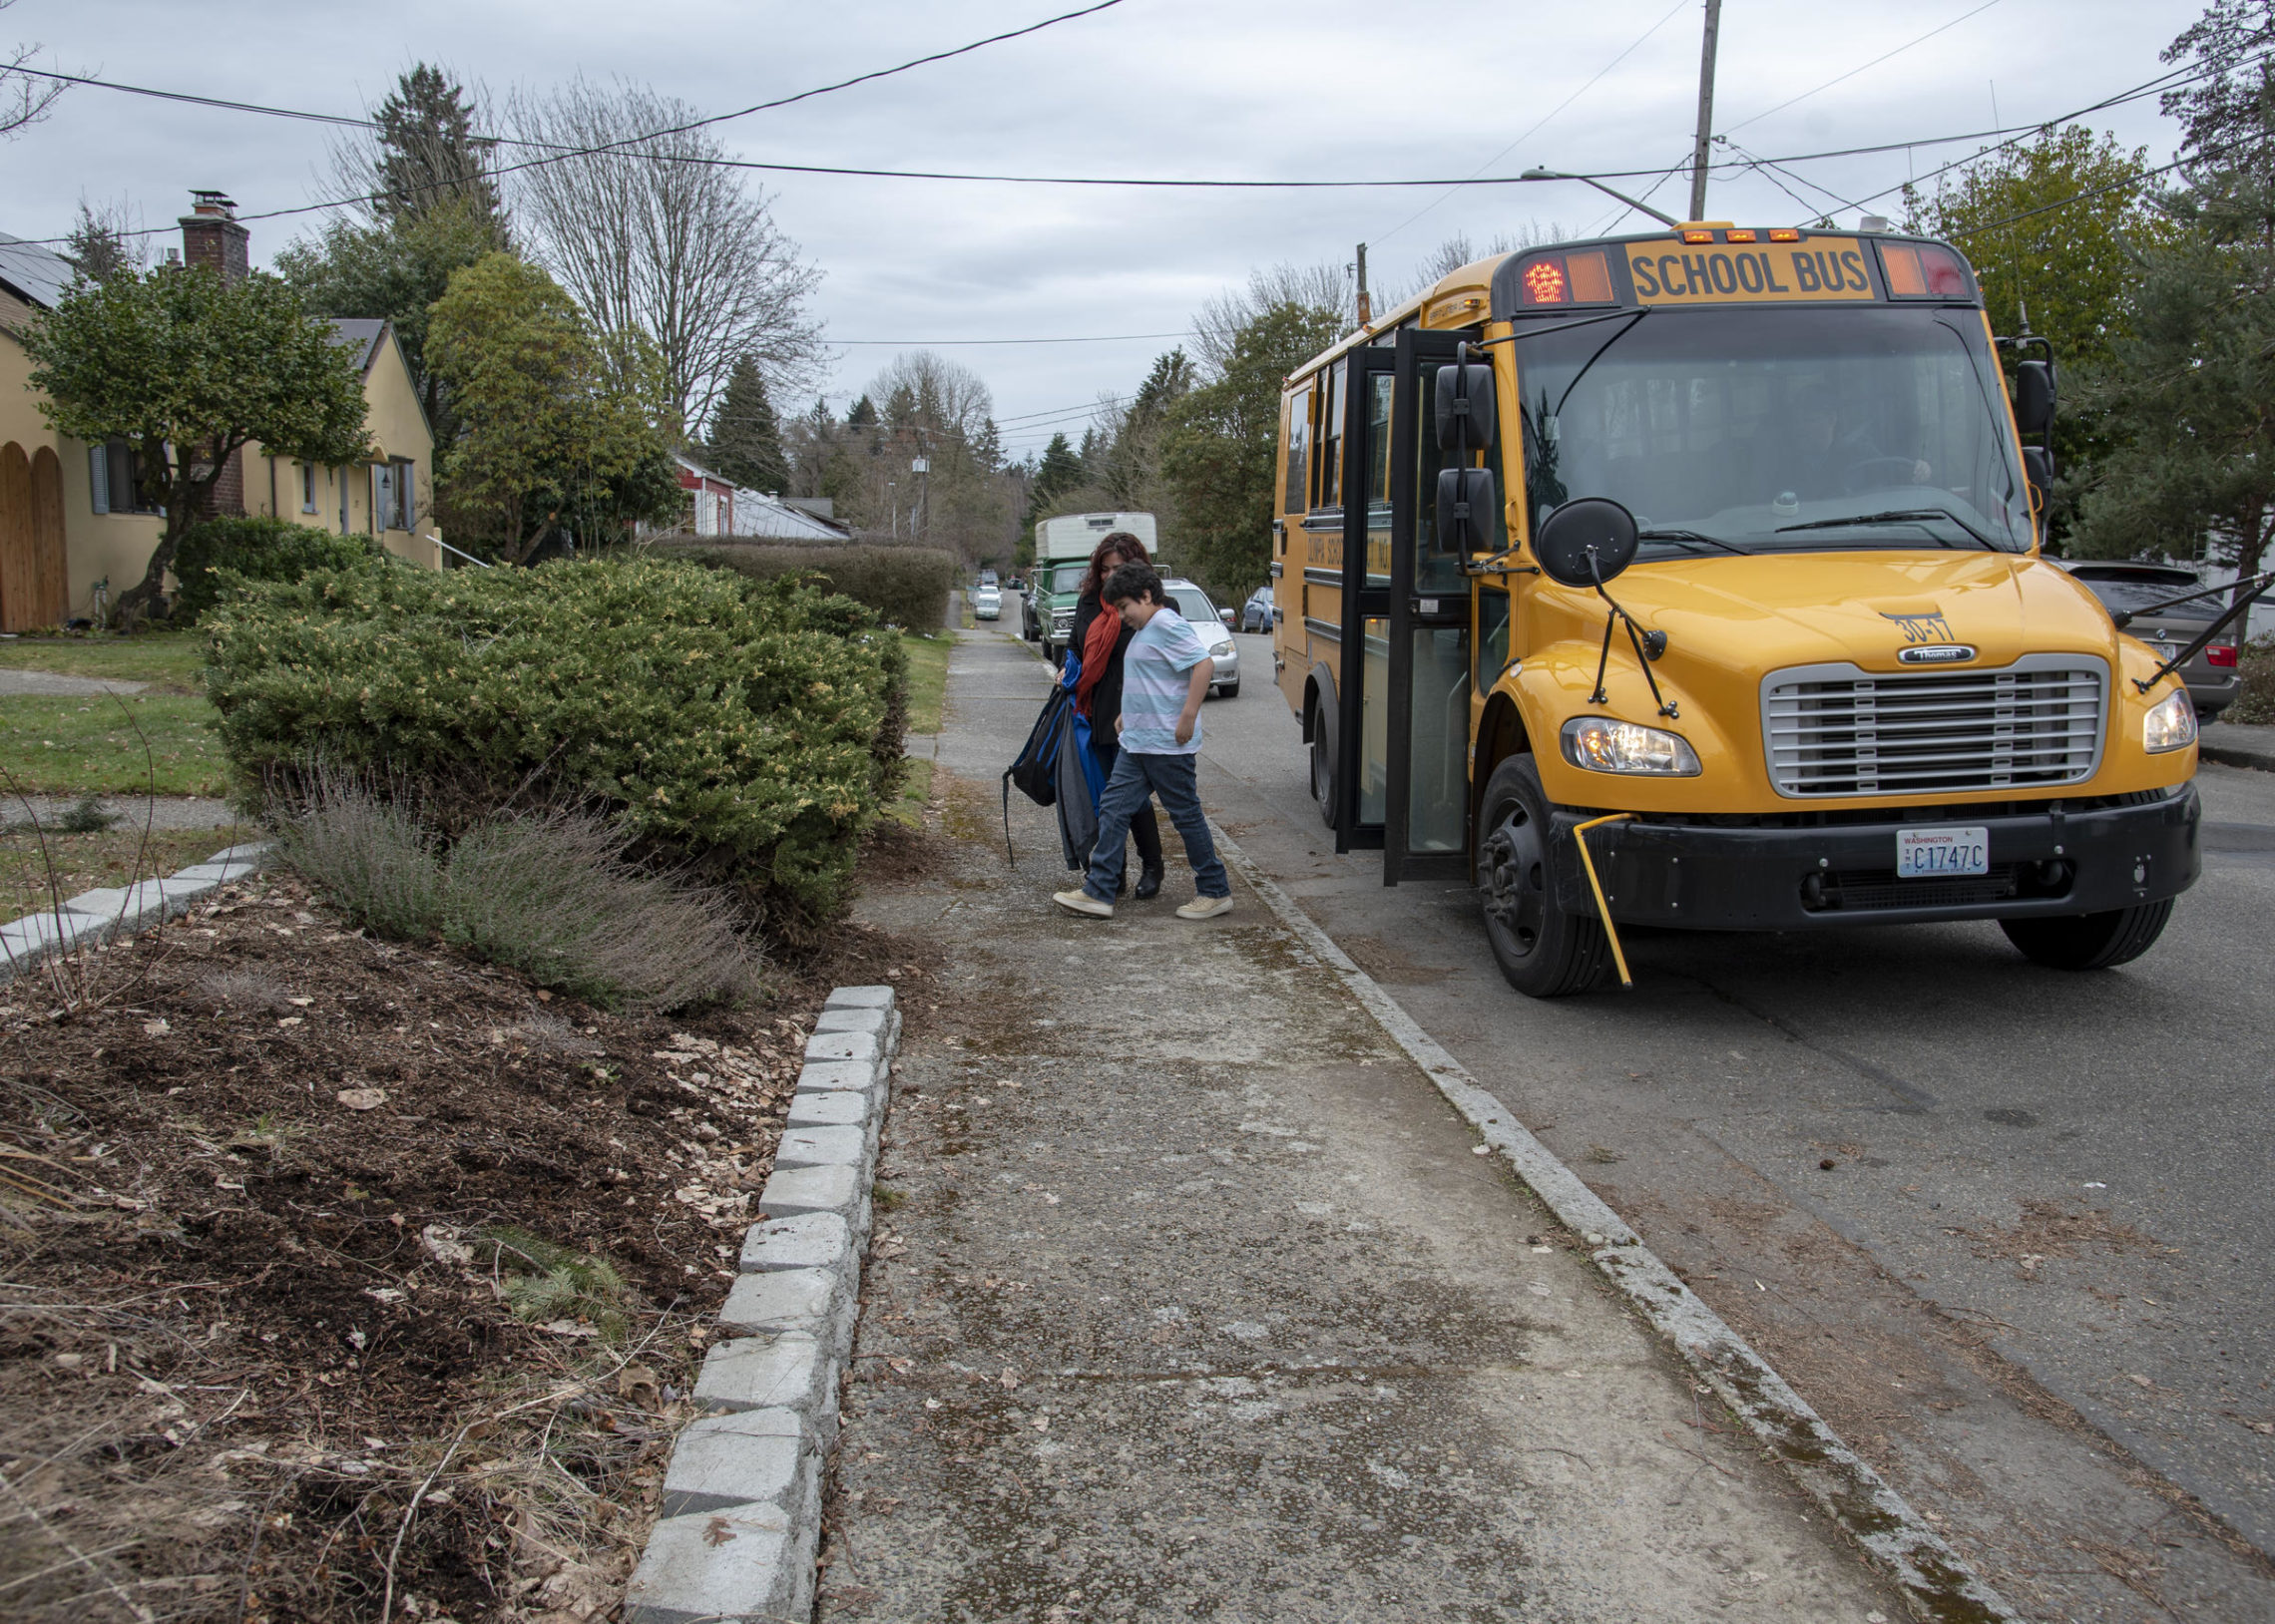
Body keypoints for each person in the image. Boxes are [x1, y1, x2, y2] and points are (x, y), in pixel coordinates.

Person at [1054, 563, 1233, 922]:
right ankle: (1099, 892)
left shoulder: (1167, 624)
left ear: (1147, 596)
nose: (1121, 616)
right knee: (1113, 808)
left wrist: (1188, 715)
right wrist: (1126, 715)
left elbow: (1204, 665)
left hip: (1167, 745)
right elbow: (1149, 680)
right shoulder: (1148, 628)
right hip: (1138, 742)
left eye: (1124, 607)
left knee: (1185, 815)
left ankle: (1214, 891)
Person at [1072, 531, 1164, 899]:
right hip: (1095, 713)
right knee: (1105, 797)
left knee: (1132, 798)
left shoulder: (1158, 605)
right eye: (1105, 569)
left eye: (1120, 568)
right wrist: (1069, 670)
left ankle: (1152, 865)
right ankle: (1115, 872)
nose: (1111, 576)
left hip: (1137, 712)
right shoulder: (1089, 603)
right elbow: (1075, 648)